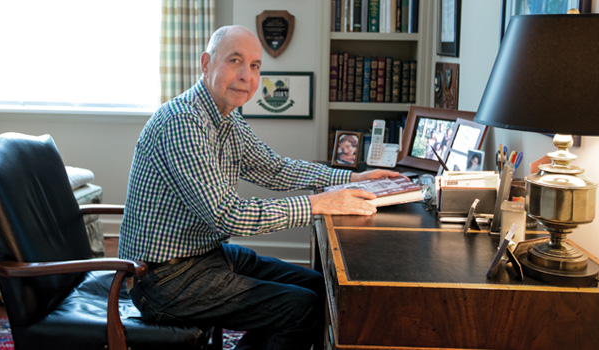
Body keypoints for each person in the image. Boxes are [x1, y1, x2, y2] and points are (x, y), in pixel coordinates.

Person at [119, 25, 398, 350]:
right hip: (163, 279)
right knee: (301, 308)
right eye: (234, 61)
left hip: (206, 255)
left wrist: (351, 178)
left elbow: (276, 169)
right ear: (206, 63)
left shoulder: (227, 120)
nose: (246, 75)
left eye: (254, 66)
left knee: (321, 288)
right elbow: (228, 216)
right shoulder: (182, 123)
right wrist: (320, 204)